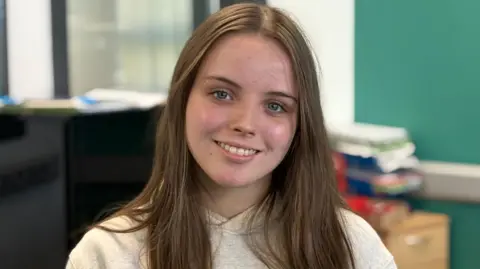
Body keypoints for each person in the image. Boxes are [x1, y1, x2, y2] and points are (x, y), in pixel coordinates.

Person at [66, 3, 396, 269]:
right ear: (182, 100)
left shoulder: (352, 248)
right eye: (222, 94)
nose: (245, 123)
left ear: (300, 126)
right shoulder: (108, 255)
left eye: (276, 105)